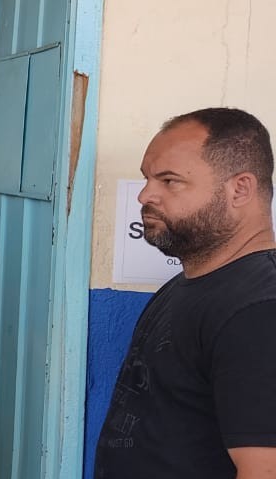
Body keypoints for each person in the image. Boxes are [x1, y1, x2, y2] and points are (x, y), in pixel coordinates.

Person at [94, 108, 276, 479]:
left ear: (240, 189)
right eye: (147, 178)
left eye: (170, 181)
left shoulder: (260, 309)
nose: (145, 194)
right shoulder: (187, 285)